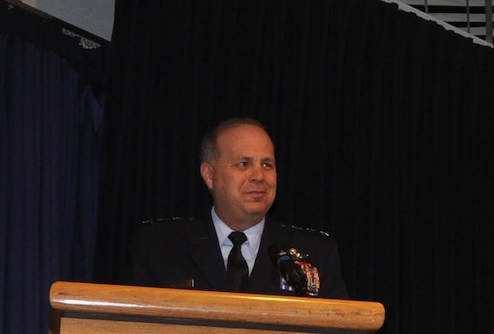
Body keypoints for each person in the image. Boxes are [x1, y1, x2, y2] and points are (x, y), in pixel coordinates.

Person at [128, 118, 347, 299]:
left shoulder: (316, 253)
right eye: (244, 164)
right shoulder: (160, 246)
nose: (259, 176)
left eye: (267, 165)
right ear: (209, 175)